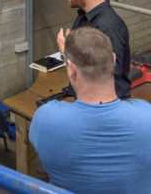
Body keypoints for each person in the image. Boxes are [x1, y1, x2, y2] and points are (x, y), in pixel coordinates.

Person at [30, 27, 151, 193]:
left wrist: (68, 57)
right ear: (114, 61)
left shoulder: (46, 118)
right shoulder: (146, 116)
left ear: (71, 69)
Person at [57, 0, 131, 99]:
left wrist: (65, 54)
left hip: (103, 108)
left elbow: (108, 77)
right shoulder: (83, 18)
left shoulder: (108, 27)